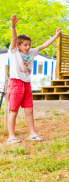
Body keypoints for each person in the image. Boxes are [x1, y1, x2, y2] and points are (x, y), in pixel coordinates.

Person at [6, 14, 62, 144]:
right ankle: (11, 136)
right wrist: (13, 25)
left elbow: (44, 45)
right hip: (15, 84)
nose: (28, 47)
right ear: (19, 46)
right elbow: (14, 38)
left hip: (26, 84)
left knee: (29, 110)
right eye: (25, 45)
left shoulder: (31, 53)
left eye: (29, 45)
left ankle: (32, 133)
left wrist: (56, 36)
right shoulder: (14, 51)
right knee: (13, 111)